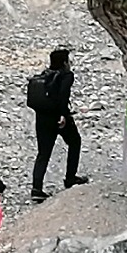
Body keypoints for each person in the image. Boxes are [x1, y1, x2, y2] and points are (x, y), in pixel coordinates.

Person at [30, 49, 88, 203]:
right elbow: (63, 95)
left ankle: (36, 188)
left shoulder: (45, 74)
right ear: (64, 62)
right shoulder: (66, 76)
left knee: (43, 153)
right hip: (59, 118)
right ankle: (70, 177)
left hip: (42, 118)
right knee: (75, 142)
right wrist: (63, 115)